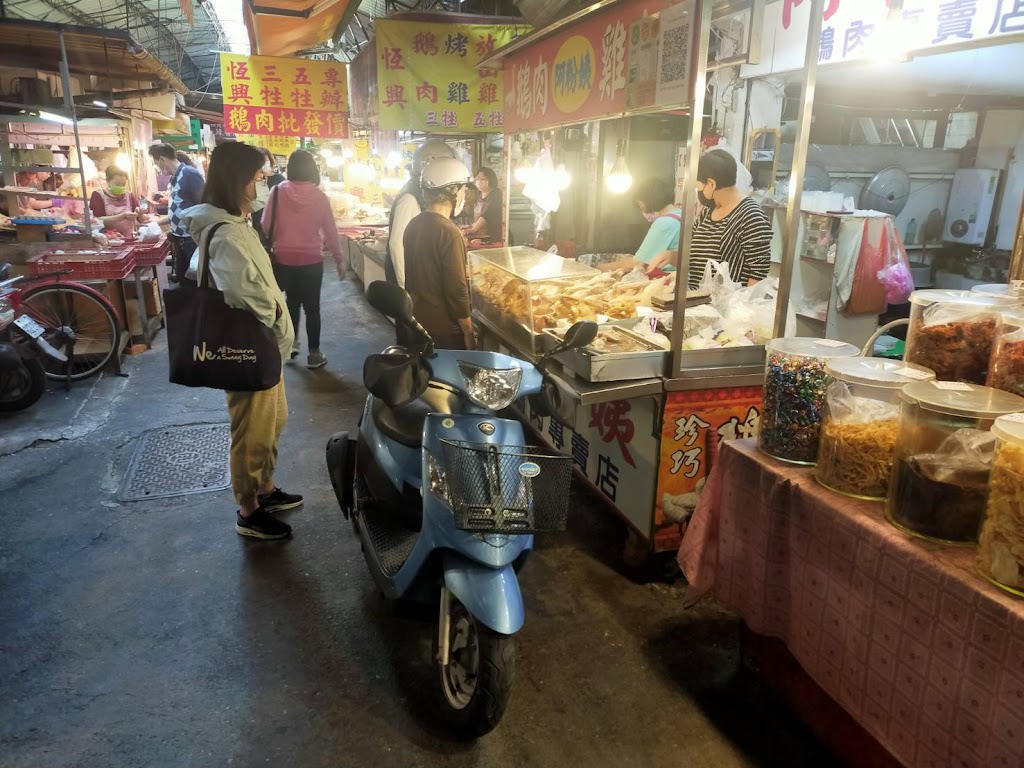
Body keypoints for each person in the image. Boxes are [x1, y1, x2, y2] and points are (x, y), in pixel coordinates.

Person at [181, 142, 299, 541]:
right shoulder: (228, 233)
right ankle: (248, 509)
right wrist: (277, 314)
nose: (263, 185)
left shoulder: (237, 223)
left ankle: (265, 489)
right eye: (259, 178)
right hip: (248, 345)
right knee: (251, 430)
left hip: (265, 344)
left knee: (272, 420)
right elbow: (244, 293)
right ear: (239, 182)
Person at [262, 149, 345, 369]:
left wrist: (283, 236)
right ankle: (314, 354)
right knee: (312, 308)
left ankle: (291, 346)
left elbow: (265, 224)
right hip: (311, 260)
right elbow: (330, 231)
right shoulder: (320, 197)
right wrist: (339, 259)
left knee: (291, 303)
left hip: (283, 258)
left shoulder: (277, 192)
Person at [647, 149, 772, 287]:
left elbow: (758, 273)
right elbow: (694, 255)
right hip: (698, 302)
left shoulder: (751, 215)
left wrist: (742, 307)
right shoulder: (708, 212)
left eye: (698, 186)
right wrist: (672, 256)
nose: (698, 192)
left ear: (711, 184)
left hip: (727, 306)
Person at [403, 157, 475, 351]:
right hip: (444, 330)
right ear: (453, 191)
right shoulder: (449, 232)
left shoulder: (414, 224)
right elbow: (456, 288)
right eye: (463, 190)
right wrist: (468, 331)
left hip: (417, 320)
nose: (464, 195)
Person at [385, 139, 455, 288]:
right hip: (409, 286)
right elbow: (397, 244)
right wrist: (405, 286)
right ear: (429, 163)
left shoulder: (421, 190)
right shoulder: (410, 197)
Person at [598, 177, 682, 273]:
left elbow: (638, 263)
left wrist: (601, 267)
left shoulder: (664, 223)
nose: (643, 212)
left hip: (669, 281)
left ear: (649, 201)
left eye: (642, 207)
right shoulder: (681, 215)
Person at [149, 142, 205, 283]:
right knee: (184, 281)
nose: (158, 168)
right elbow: (179, 210)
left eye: (156, 163)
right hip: (180, 240)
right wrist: (157, 223)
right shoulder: (174, 178)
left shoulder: (189, 174)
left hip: (192, 240)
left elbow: (204, 206)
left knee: (197, 282)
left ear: (162, 160)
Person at [90, 166, 146, 238]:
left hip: (130, 239)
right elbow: (97, 221)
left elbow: (141, 220)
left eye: (123, 184)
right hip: (109, 240)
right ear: (108, 181)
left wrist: (140, 215)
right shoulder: (98, 195)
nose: (121, 186)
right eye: (117, 184)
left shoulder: (129, 196)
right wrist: (122, 216)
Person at [251, 147, 285, 248]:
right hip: (257, 221)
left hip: (276, 222)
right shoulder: (253, 181)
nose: (264, 164)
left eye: (266, 161)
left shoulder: (279, 179)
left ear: (270, 161)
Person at [460, 167, 503, 241]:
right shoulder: (479, 196)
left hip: (494, 237)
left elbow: (488, 214)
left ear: (491, 179)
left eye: (483, 179)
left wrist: (474, 229)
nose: (479, 182)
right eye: (477, 179)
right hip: (481, 236)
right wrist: (471, 226)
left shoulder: (496, 193)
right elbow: (479, 218)